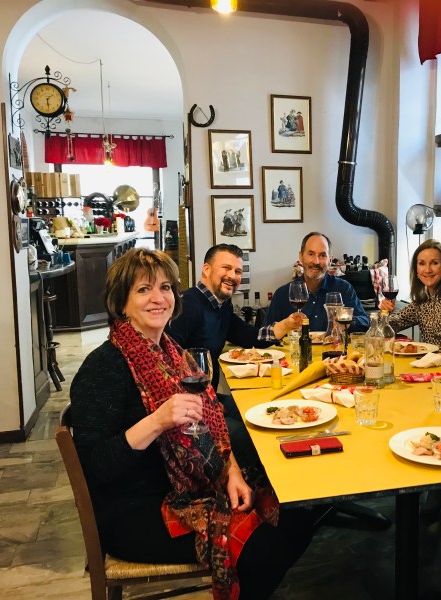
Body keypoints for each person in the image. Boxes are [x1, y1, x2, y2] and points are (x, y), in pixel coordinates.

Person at [70, 248, 313, 599]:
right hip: (135, 510)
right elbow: (95, 465)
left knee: (298, 512)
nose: (159, 298)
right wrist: (156, 421)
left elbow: (212, 429)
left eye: (166, 287)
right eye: (143, 290)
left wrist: (231, 472)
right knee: (263, 547)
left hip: (189, 487)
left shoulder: (173, 353)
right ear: (120, 303)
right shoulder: (103, 367)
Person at [166, 244, 301, 466]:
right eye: (226, 268)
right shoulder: (189, 304)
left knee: (264, 408)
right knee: (254, 437)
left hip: (208, 398)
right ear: (206, 270)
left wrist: (284, 325)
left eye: (238, 271)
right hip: (190, 411)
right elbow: (169, 363)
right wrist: (206, 406)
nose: (232, 276)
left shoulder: (221, 305)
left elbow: (247, 336)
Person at [265, 232, 368, 334]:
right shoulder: (282, 294)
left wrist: (349, 321)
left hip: (333, 349)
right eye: (311, 254)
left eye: (322, 255)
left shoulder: (343, 288)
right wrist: (284, 325)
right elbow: (264, 335)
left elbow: (365, 322)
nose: (316, 261)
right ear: (301, 257)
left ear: (330, 260)